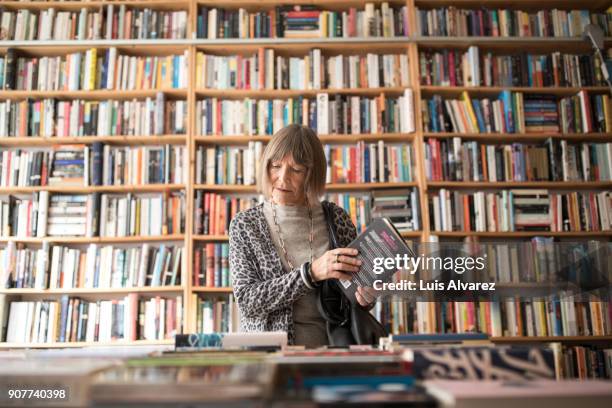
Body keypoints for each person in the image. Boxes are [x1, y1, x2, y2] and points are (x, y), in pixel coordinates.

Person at [229, 124, 375, 347]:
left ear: (311, 174)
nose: (282, 178)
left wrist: (365, 298)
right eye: (276, 166)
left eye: (296, 170)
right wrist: (310, 274)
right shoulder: (245, 225)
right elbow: (249, 301)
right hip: (272, 358)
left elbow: (351, 293)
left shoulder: (337, 219)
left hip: (334, 353)